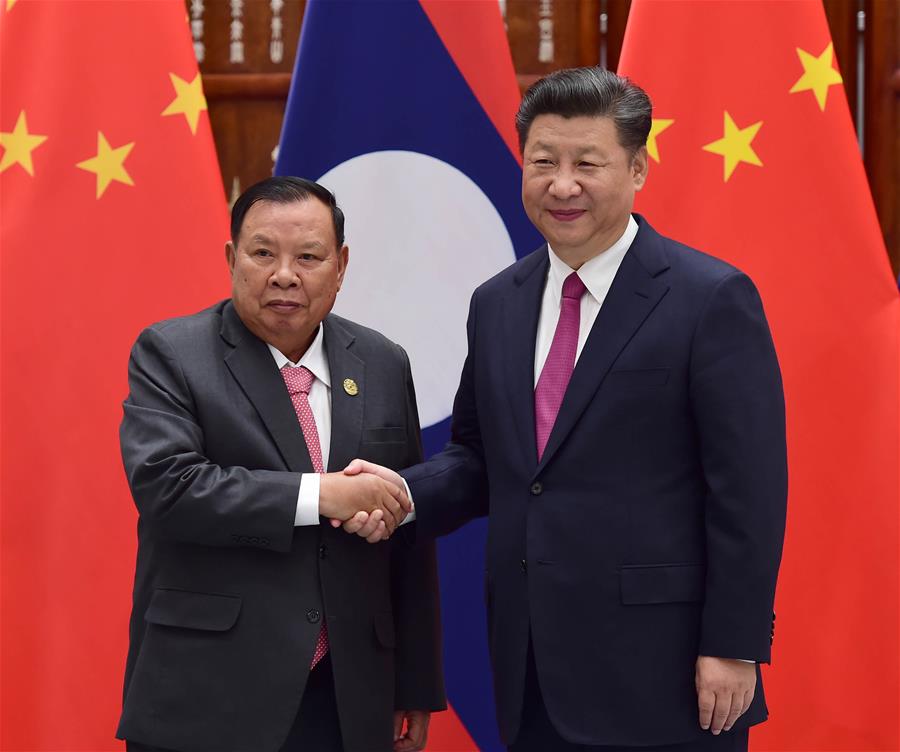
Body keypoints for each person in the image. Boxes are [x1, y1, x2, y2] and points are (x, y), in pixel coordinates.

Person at [344, 67, 787, 751]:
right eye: (543, 162)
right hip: (530, 662)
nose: (562, 185)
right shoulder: (499, 302)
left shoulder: (710, 298)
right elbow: (479, 458)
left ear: (637, 169)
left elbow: (749, 493)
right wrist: (399, 492)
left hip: (666, 670)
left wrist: (733, 645)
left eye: (588, 163)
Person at [116, 177, 444, 752]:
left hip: (347, 695)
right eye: (263, 253)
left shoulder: (382, 362)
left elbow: (406, 534)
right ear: (231, 258)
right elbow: (168, 488)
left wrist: (415, 681)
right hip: (212, 691)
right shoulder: (173, 353)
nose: (284, 275)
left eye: (309, 257)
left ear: (340, 267)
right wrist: (323, 495)